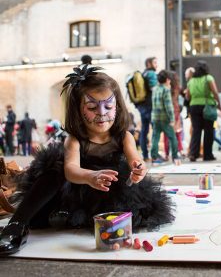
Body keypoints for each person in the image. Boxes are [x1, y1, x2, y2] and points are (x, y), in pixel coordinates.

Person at [0, 65, 174, 255]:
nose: (101, 113)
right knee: (53, 168)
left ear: (118, 107)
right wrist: (90, 176)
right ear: (78, 110)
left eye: (108, 106)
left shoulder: (124, 136)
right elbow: (71, 169)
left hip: (108, 190)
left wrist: (138, 169)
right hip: (75, 187)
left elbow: (136, 160)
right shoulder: (74, 140)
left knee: (120, 200)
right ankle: (17, 223)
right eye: (92, 107)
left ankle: (69, 216)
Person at [186, 60, 221, 162]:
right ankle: (207, 155)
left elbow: (187, 96)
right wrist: (219, 105)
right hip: (207, 107)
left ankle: (193, 154)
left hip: (194, 107)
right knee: (208, 131)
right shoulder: (208, 78)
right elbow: (215, 92)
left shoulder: (191, 81)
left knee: (196, 131)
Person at [150, 70, 180, 165]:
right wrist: (172, 119)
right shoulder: (166, 90)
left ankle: (154, 157)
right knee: (173, 138)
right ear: (167, 80)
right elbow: (168, 106)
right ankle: (175, 156)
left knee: (155, 138)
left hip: (155, 118)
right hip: (165, 119)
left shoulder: (154, 89)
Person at [137, 57, 158, 162]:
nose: (156, 64)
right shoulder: (151, 73)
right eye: (155, 62)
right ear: (149, 63)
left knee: (144, 130)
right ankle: (155, 156)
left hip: (141, 106)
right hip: (150, 105)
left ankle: (145, 155)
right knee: (156, 129)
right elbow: (154, 89)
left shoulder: (143, 74)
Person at [163, 72, 184, 160]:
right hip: (175, 112)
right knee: (177, 133)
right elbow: (184, 94)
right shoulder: (177, 88)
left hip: (166, 112)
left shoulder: (165, 87)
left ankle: (167, 154)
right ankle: (180, 150)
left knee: (166, 134)